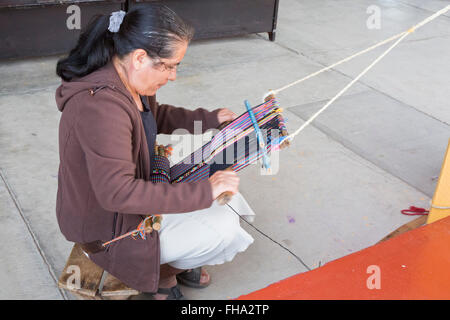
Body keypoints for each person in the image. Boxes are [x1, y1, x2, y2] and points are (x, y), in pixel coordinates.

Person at [55, 4, 255, 300]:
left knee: (229, 195)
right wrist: (204, 192)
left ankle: (171, 260)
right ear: (139, 58)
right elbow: (117, 193)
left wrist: (211, 119)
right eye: (170, 65)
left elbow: (155, 115)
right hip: (107, 230)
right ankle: (163, 273)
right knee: (222, 228)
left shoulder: (128, 79)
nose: (173, 75)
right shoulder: (100, 108)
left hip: (123, 204)